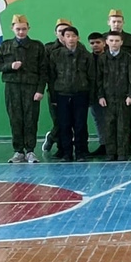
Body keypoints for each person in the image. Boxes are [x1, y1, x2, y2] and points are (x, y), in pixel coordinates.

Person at [0, 14, 48, 163]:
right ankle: (18, 151)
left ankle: (30, 151)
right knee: (15, 119)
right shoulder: (6, 46)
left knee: (31, 119)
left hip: (31, 88)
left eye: (24, 29)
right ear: (12, 28)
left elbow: (43, 70)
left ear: (28, 28)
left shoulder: (37, 46)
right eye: (18, 29)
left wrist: (40, 90)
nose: (21, 32)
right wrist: (9, 66)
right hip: (12, 88)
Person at [45, 25, 94, 162]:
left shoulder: (86, 55)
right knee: (64, 125)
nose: (71, 39)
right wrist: (53, 97)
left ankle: (80, 152)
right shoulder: (55, 55)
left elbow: (92, 77)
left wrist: (91, 96)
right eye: (68, 36)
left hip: (81, 94)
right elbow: (51, 77)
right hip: (62, 94)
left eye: (73, 36)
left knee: (80, 125)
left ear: (78, 38)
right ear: (63, 38)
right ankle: (66, 153)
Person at [97, 32, 131, 161]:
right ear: (106, 42)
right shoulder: (102, 59)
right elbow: (98, 79)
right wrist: (100, 96)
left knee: (123, 126)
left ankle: (123, 153)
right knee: (109, 126)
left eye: (117, 40)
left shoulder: (128, 58)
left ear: (121, 42)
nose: (114, 43)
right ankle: (110, 153)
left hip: (124, 98)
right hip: (107, 98)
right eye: (111, 40)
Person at [41, 17, 72, 157]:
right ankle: (59, 146)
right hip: (55, 90)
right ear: (56, 33)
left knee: (71, 121)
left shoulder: (77, 47)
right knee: (59, 121)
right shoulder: (48, 49)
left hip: (74, 90)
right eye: (60, 31)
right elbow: (46, 71)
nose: (63, 34)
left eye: (66, 31)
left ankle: (64, 146)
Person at [86, 32, 107, 157]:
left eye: (98, 42)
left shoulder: (110, 57)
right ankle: (103, 144)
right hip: (93, 95)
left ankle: (118, 146)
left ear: (104, 43)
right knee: (99, 120)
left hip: (110, 94)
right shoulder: (87, 58)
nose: (95, 45)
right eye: (92, 43)